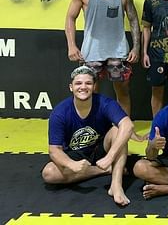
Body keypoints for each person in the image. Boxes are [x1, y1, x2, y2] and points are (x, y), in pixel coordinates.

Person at [41, 66, 134, 206]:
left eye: (88, 83)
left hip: (100, 150)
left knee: (118, 131)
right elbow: (54, 150)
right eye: (78, 83)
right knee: (49, 173)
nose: (83, 87)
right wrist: (71, 164)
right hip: (75, 154)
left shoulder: (105, 103)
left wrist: (109, 157)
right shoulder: (60, 112)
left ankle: (116, 185)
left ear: (94, 86)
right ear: (71, 87)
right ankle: (102, 171)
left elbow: (128, 126)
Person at [65, 0, 140, 116]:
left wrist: (136, 48)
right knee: (90, 92)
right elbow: (70, 18)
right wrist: (71, 45)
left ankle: (124, 127)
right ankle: (93, 127)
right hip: (92, 51)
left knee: (123, 92)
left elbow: (134, 20)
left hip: (118, 51)